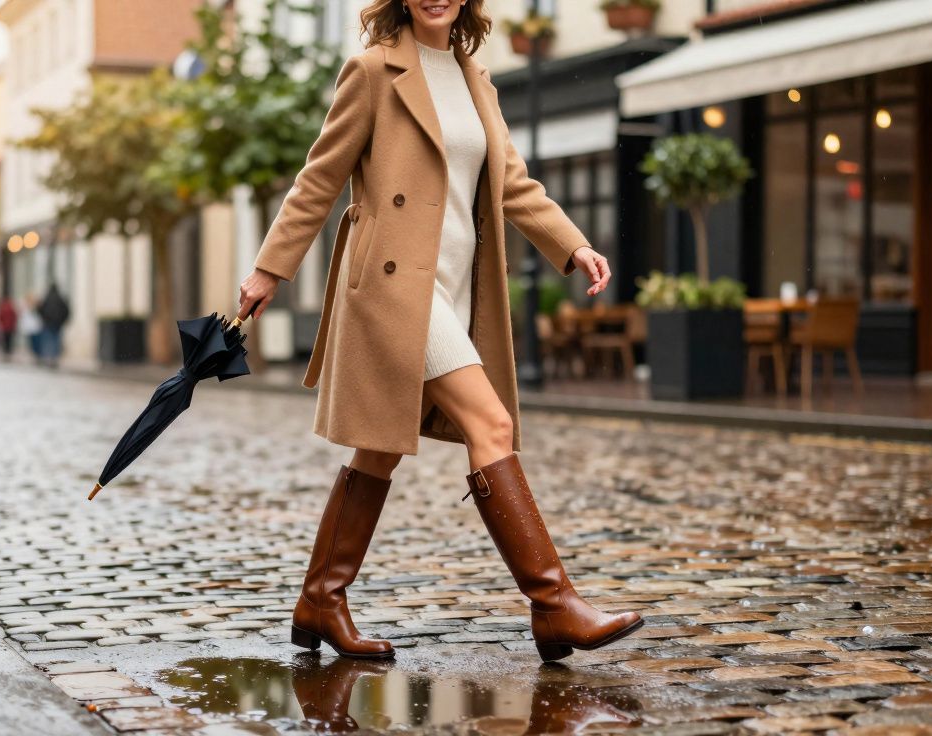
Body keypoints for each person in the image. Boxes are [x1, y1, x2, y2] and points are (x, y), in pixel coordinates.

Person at [237, 1, 640, 662]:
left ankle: (320, 600)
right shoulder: (372, 72)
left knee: (379, 450)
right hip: (398, 287)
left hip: (455, 284)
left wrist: (572, 246)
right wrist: (268, 270)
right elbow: (319, 178)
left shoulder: (475, 76)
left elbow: (511, 183)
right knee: (492, 426)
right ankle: (554, 605)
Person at [37, 284, 70, 368]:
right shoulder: (60, 298)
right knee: (56, 340)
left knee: (48, 341)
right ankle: (54, 358)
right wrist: (62, 321)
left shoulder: (46, 298)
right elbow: (66, 310)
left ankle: (48, 357)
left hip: (48, 323)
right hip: (57, 324)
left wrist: (44, 319)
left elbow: (40, 309)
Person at [19, 293, 43, 361]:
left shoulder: (36, 307)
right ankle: (34, 353)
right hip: (30, 327)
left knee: (36, 341)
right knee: (31, 341)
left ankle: (36, 353)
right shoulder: (25, 307)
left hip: (35, 327)